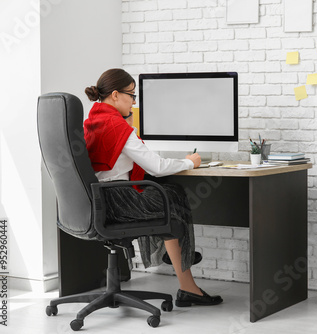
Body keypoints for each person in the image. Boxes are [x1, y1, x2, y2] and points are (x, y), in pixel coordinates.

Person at [83, 68, 222, 307]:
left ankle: (177, 256)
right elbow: (156, 166)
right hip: (118, 201)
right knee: (173, 194)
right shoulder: (118, 127)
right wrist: (191, 161)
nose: (134, 101)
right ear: (115, 95)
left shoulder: (95, 119)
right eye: (132, 96)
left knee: (167, 192)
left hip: (98, 201)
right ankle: (181, 261)